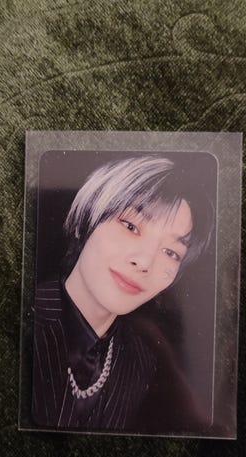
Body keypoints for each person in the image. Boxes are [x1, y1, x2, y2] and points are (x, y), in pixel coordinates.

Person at [30, 155, 214, 431]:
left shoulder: (141, 362)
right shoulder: (25, 319)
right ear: (85, 221)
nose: (145, 262)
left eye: (171, 252)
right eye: (131, 226)